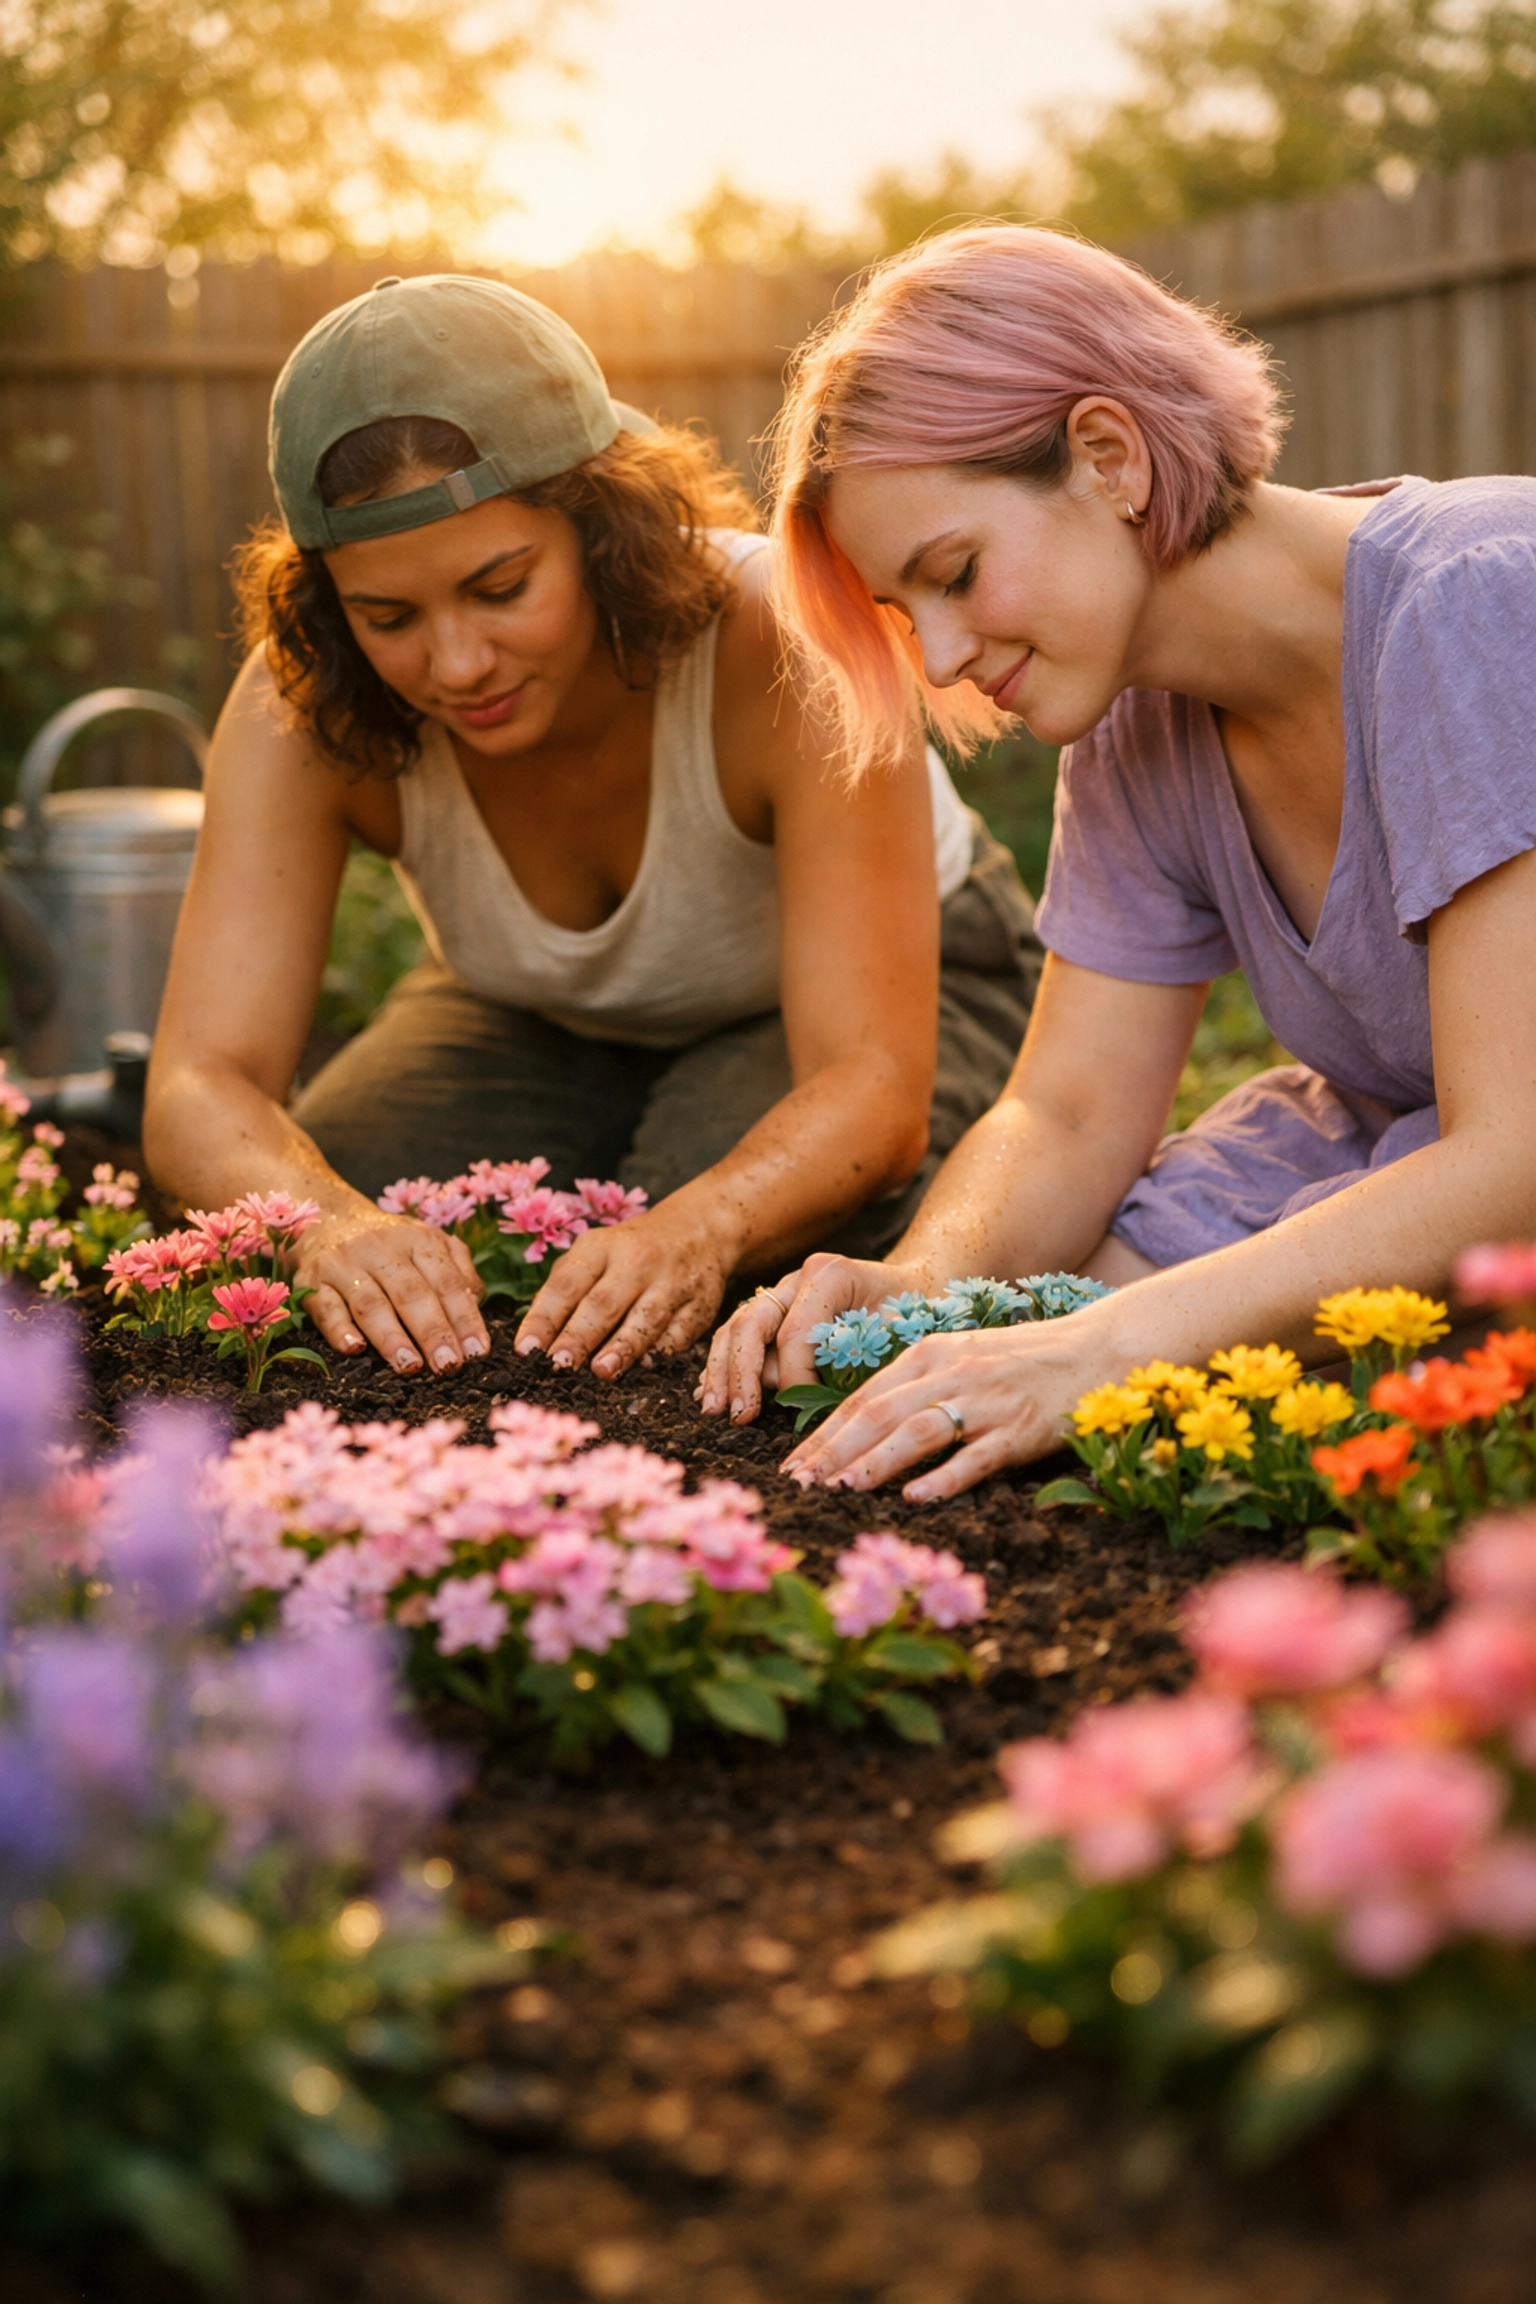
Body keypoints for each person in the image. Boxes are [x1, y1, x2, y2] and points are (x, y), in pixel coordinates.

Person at [703, 222, 1536, 1502]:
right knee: (1091, 1287)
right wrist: (928, 1290)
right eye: (901, 613)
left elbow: (1514, 1156)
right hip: (1422, 1139)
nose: (936, 660)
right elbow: (1069, 1111)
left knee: (1155, 1337)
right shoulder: (1138, 729)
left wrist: (1092, 1351)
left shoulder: (1476, 602)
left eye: (957, 573)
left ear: (1108, 454)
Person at [145, 273, 1039, 1381]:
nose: (457, 664)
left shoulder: (775, 641)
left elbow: (867, 1086)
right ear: (332, 608)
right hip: (536, 1011)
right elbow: (198, 1080)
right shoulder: (304, 699)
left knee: (712, 1242)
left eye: (501, 587)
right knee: (360, 1190)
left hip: (899, 992)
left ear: (602, 533)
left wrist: (704, 1222)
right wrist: (331, 1222)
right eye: (389, 617)